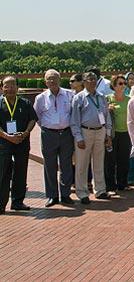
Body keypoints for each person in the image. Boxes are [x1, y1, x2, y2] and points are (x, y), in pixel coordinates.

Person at [34, 69, 75, 207]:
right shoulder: (40, 98)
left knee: (66, 165)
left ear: (60, 79)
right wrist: (48, 127)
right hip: (48, 134)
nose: (52, 81)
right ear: (45, 81)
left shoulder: (70, 95)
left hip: (66, 134)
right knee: (49, 165)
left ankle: (65, 194)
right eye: (49, 79)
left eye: (54, 78)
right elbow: (37, 117)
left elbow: (73, 114)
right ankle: (52, 196)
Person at [70, 72, 112, 204]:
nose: (92, 81)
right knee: (82, 164)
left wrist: (108, 134)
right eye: (89, 79)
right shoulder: (79, 98)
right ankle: (82, 193)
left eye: (94, 79)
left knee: (99, 163)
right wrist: (78, 137)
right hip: (85, 132)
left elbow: (106, 116)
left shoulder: (101, 97)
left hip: (100, 131)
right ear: (84, 81)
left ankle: (100, 190)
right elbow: (74, 120)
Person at [0, 76, 37, 213]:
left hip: (22, 142)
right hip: (4, 143)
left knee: (21, 172)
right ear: (2, 88)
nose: (10, 89)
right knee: (3, 173)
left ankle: (17, 202)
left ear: (17, 87)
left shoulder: (25, 103)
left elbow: (32, 119)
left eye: (12, 85)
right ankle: (1, 204)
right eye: (6, 86)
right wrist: (7, 136)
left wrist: (26, 133)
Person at [105, 74, 131, 192]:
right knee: (110, 160)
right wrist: (107, 109)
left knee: (124, 159)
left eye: (124, 83)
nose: (123, 86)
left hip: (126, 133)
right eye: (120, 83)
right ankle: (110, 185)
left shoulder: (129, 100)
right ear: (114, 86)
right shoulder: (108, 99)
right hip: (113, 135)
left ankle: (122, 183)